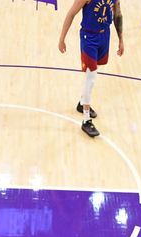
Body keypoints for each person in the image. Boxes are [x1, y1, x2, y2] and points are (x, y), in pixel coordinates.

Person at [58, 0, 124, 138]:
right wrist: (62, 38)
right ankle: (86, 120)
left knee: (94, 72)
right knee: (91, 77)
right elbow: (71, 14)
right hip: (89, 38)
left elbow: (117, 14)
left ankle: (82, 103)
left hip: (105, 35)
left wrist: (121, 39)